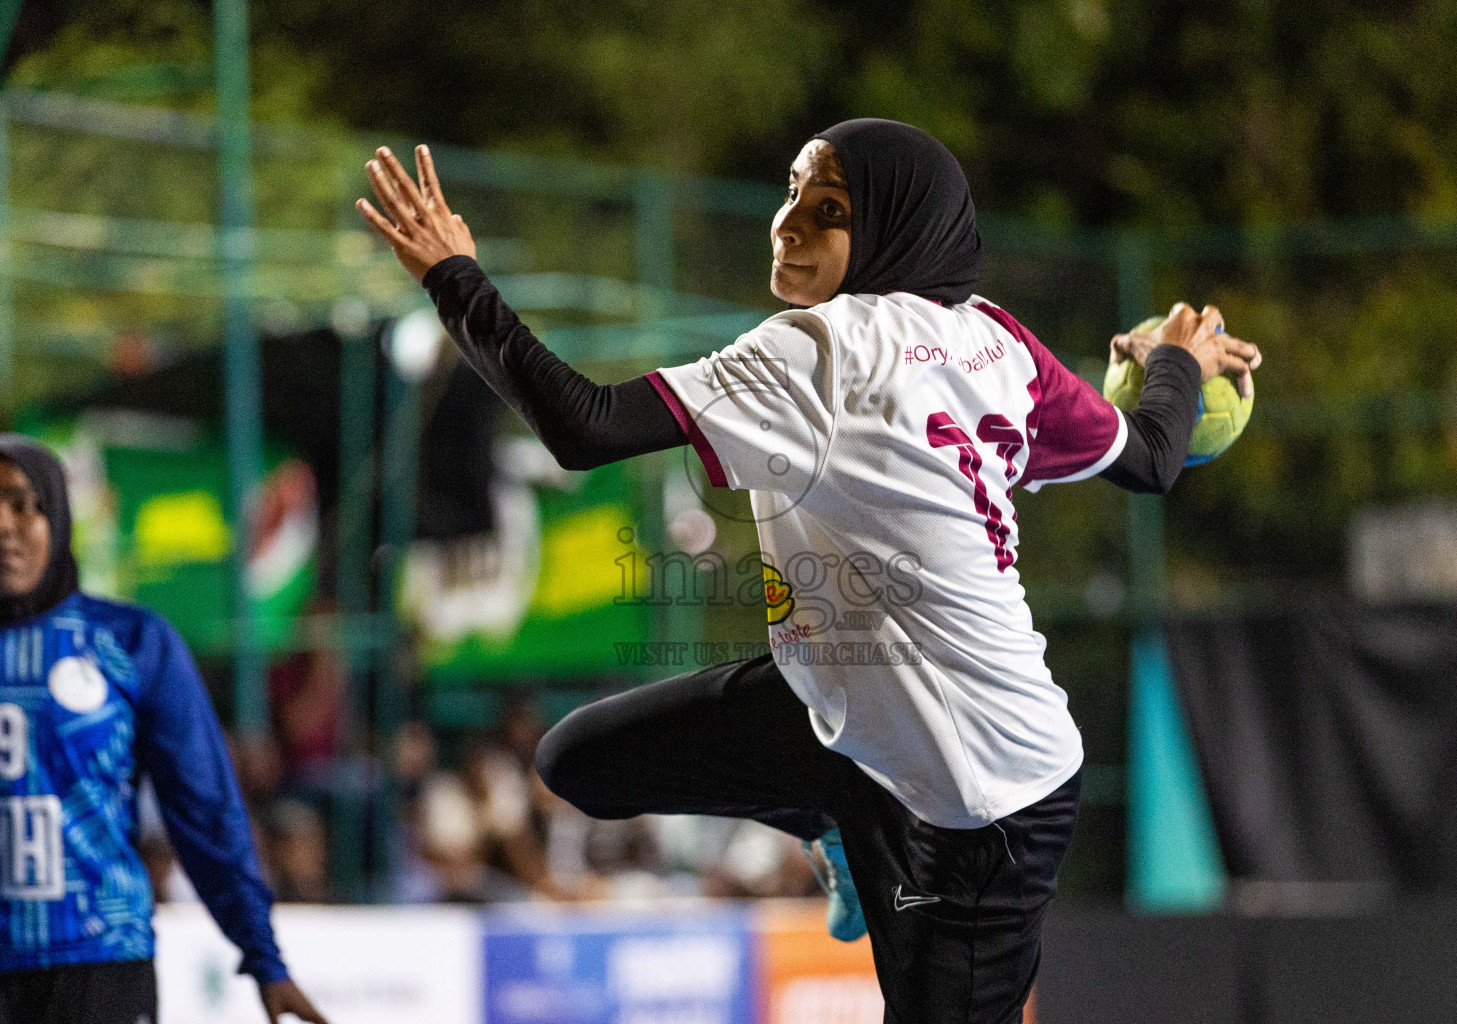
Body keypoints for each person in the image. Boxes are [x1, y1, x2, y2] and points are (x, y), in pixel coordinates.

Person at [357, 120, 1259, 1022]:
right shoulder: (1001, 345)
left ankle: (855, 827)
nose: (788, 222)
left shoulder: (822, 351)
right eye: (791, 193)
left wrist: (455, 276)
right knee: (581, 761)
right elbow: (1148, 456)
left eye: (826, 209)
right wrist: (1174, 358)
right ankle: (839, 823)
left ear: (895, 229)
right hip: (857, 722)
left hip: (981, 799)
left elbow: (585, 425)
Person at [0, 437, 326, 1024]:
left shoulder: (131, 642)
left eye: (24, 505)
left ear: (59, 514)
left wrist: (264, 955)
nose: (4, 526)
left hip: (99, 968)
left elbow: (204, 805)